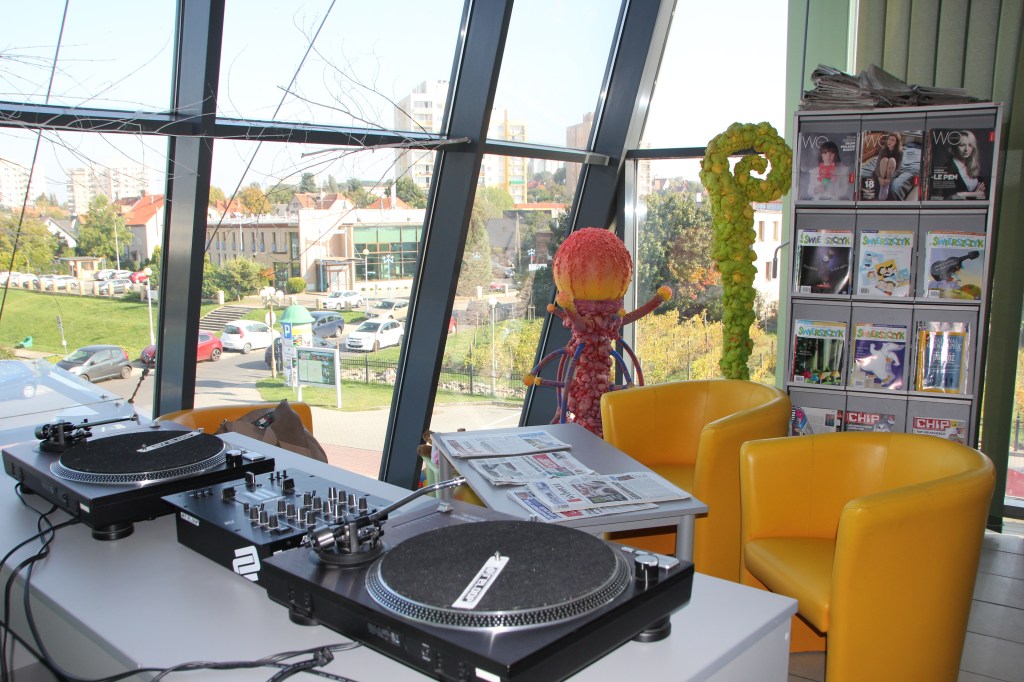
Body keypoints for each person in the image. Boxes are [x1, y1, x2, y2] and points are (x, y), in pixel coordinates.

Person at [946, 130, 987, 199]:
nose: (966, 149)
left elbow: (985, 194)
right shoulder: (948, 168)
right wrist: (974, 194)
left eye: (970, 145)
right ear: (955, 147)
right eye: (962, 145)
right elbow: (948, 197)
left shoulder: (973, 167)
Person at [874, 132, 902, 200]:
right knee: (884, 160)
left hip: (891, 173)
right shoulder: (883, 150)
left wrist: (890, 179)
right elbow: (877, 166)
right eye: (889, 139)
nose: (889, 141)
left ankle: (886, 185)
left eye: (892, 140)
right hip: (882, 173)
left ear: (896, 142)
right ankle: (882, 185)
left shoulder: (900, 152)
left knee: (892, 160)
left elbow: (898, 168)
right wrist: (879, 178)